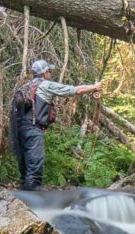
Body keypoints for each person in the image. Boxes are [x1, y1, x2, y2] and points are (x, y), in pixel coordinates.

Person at [10, 59, 102, 190]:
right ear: (45, 73)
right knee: (35, 165)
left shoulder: (24, 87)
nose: (50, 74)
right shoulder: (46, 85)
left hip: (19, 129)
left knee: (25, 166)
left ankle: (23, 198)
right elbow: (75, 90)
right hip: (33, 129)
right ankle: (31, 199)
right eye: (49, 71)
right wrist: (94, 87)